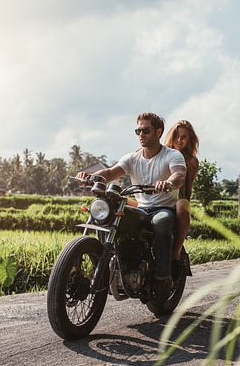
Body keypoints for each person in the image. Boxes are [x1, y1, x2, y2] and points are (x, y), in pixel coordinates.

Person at [76, 112, 186, 299]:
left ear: (158, 132)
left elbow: (179, 176)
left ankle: (162, 277)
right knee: (110, 216)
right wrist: (91, 177)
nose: (141, 134)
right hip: (140, 208)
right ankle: (110, 264)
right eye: (138, 131)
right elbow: (111, 172)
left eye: (146, 130)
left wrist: (168, 183)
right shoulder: (132, 158)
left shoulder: (172, 155)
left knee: (161, 223)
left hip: (162, 208)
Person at [163, 120, 199, 280]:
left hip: (176, 201)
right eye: (176, 136)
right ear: (170, 136)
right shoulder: (160, 153)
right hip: (156, 199)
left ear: (189, 140)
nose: (179, 140)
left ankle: (175, 254)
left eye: (184, 137)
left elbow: (188, 187)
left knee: (182, 204)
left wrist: (184, 213)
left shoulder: (191, 161)